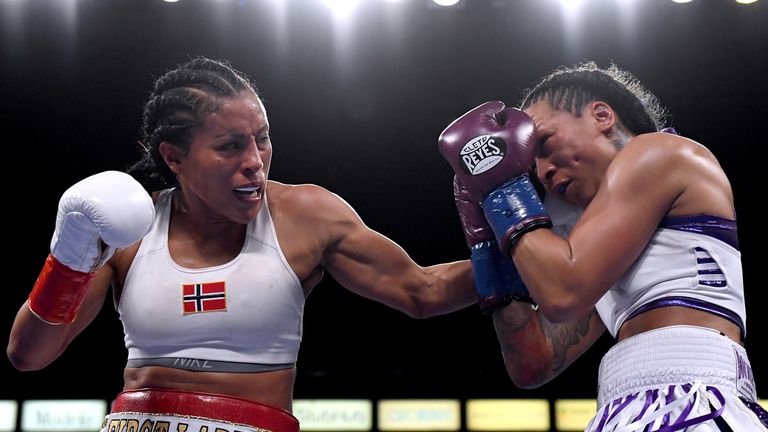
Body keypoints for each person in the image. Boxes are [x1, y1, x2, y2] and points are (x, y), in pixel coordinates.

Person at [7, 56, 478, 432]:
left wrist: (526, 247)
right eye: (231, 146)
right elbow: (28, 356)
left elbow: (423, 291)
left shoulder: (305, 217)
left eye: (263, 139)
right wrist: (68, 259)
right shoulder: (130, 229)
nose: (255, 162)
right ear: (174, 157)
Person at [438, 61, 768, 431]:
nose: (542, 172)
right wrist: (486, 247)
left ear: (601, 115)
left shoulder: (661, 152)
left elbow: (563, 293)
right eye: (531, 166)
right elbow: (533, 362)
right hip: (624, 405)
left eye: (545, 143)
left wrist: (502, 188)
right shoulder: (596, 250)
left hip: (692, 398)